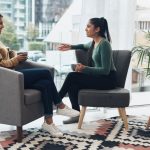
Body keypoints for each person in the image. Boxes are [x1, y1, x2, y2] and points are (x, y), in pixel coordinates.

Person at [0, 14, 79, 137]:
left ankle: (49, 121)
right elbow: (2, 65)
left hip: (14, 76)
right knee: (45, 73)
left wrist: (15, 55)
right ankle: (60, 104)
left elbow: (5, 57)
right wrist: (16, 59)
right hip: (9, 80)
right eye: (0, 23)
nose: (3, 25)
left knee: (46, 84)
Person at [58, 17, 117, 124]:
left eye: (88, 26)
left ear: (97, 29)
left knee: (72, 76)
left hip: (108, 80)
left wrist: (85, 68)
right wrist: (70, 46)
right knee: (73, 85)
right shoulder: (94, 43)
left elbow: (105, 71)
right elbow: (83, 46)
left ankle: (56, 100)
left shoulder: (104, 44)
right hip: (99, 78)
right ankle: (76, 114)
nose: (86, 29)